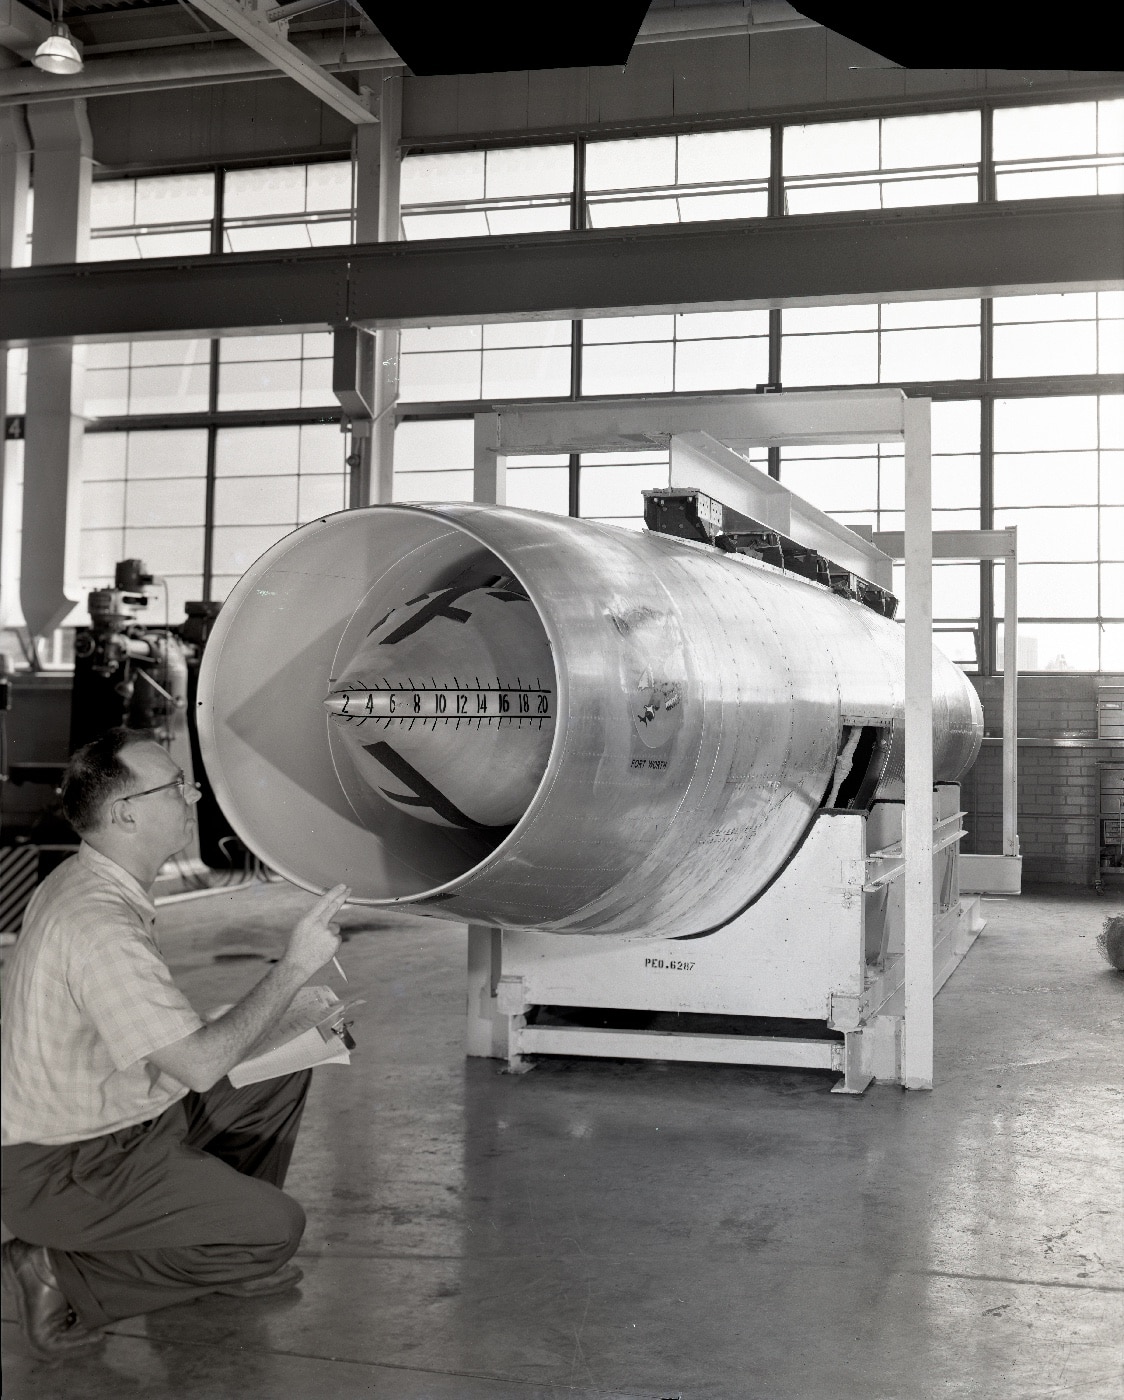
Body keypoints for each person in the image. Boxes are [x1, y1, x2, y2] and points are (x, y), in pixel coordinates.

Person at [1, 727, 350, 1360]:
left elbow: (162, 1037)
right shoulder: (99, 924)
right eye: (175, 786)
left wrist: (280, 1015)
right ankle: (59, 1271)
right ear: (125, 813)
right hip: (69, 1167)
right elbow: (196, 1064)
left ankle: (215, 1245)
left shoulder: (87, 881)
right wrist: (293, 967)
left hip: (117, 1124)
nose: (191, 797)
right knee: (277, 1230)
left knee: (282, 1062)